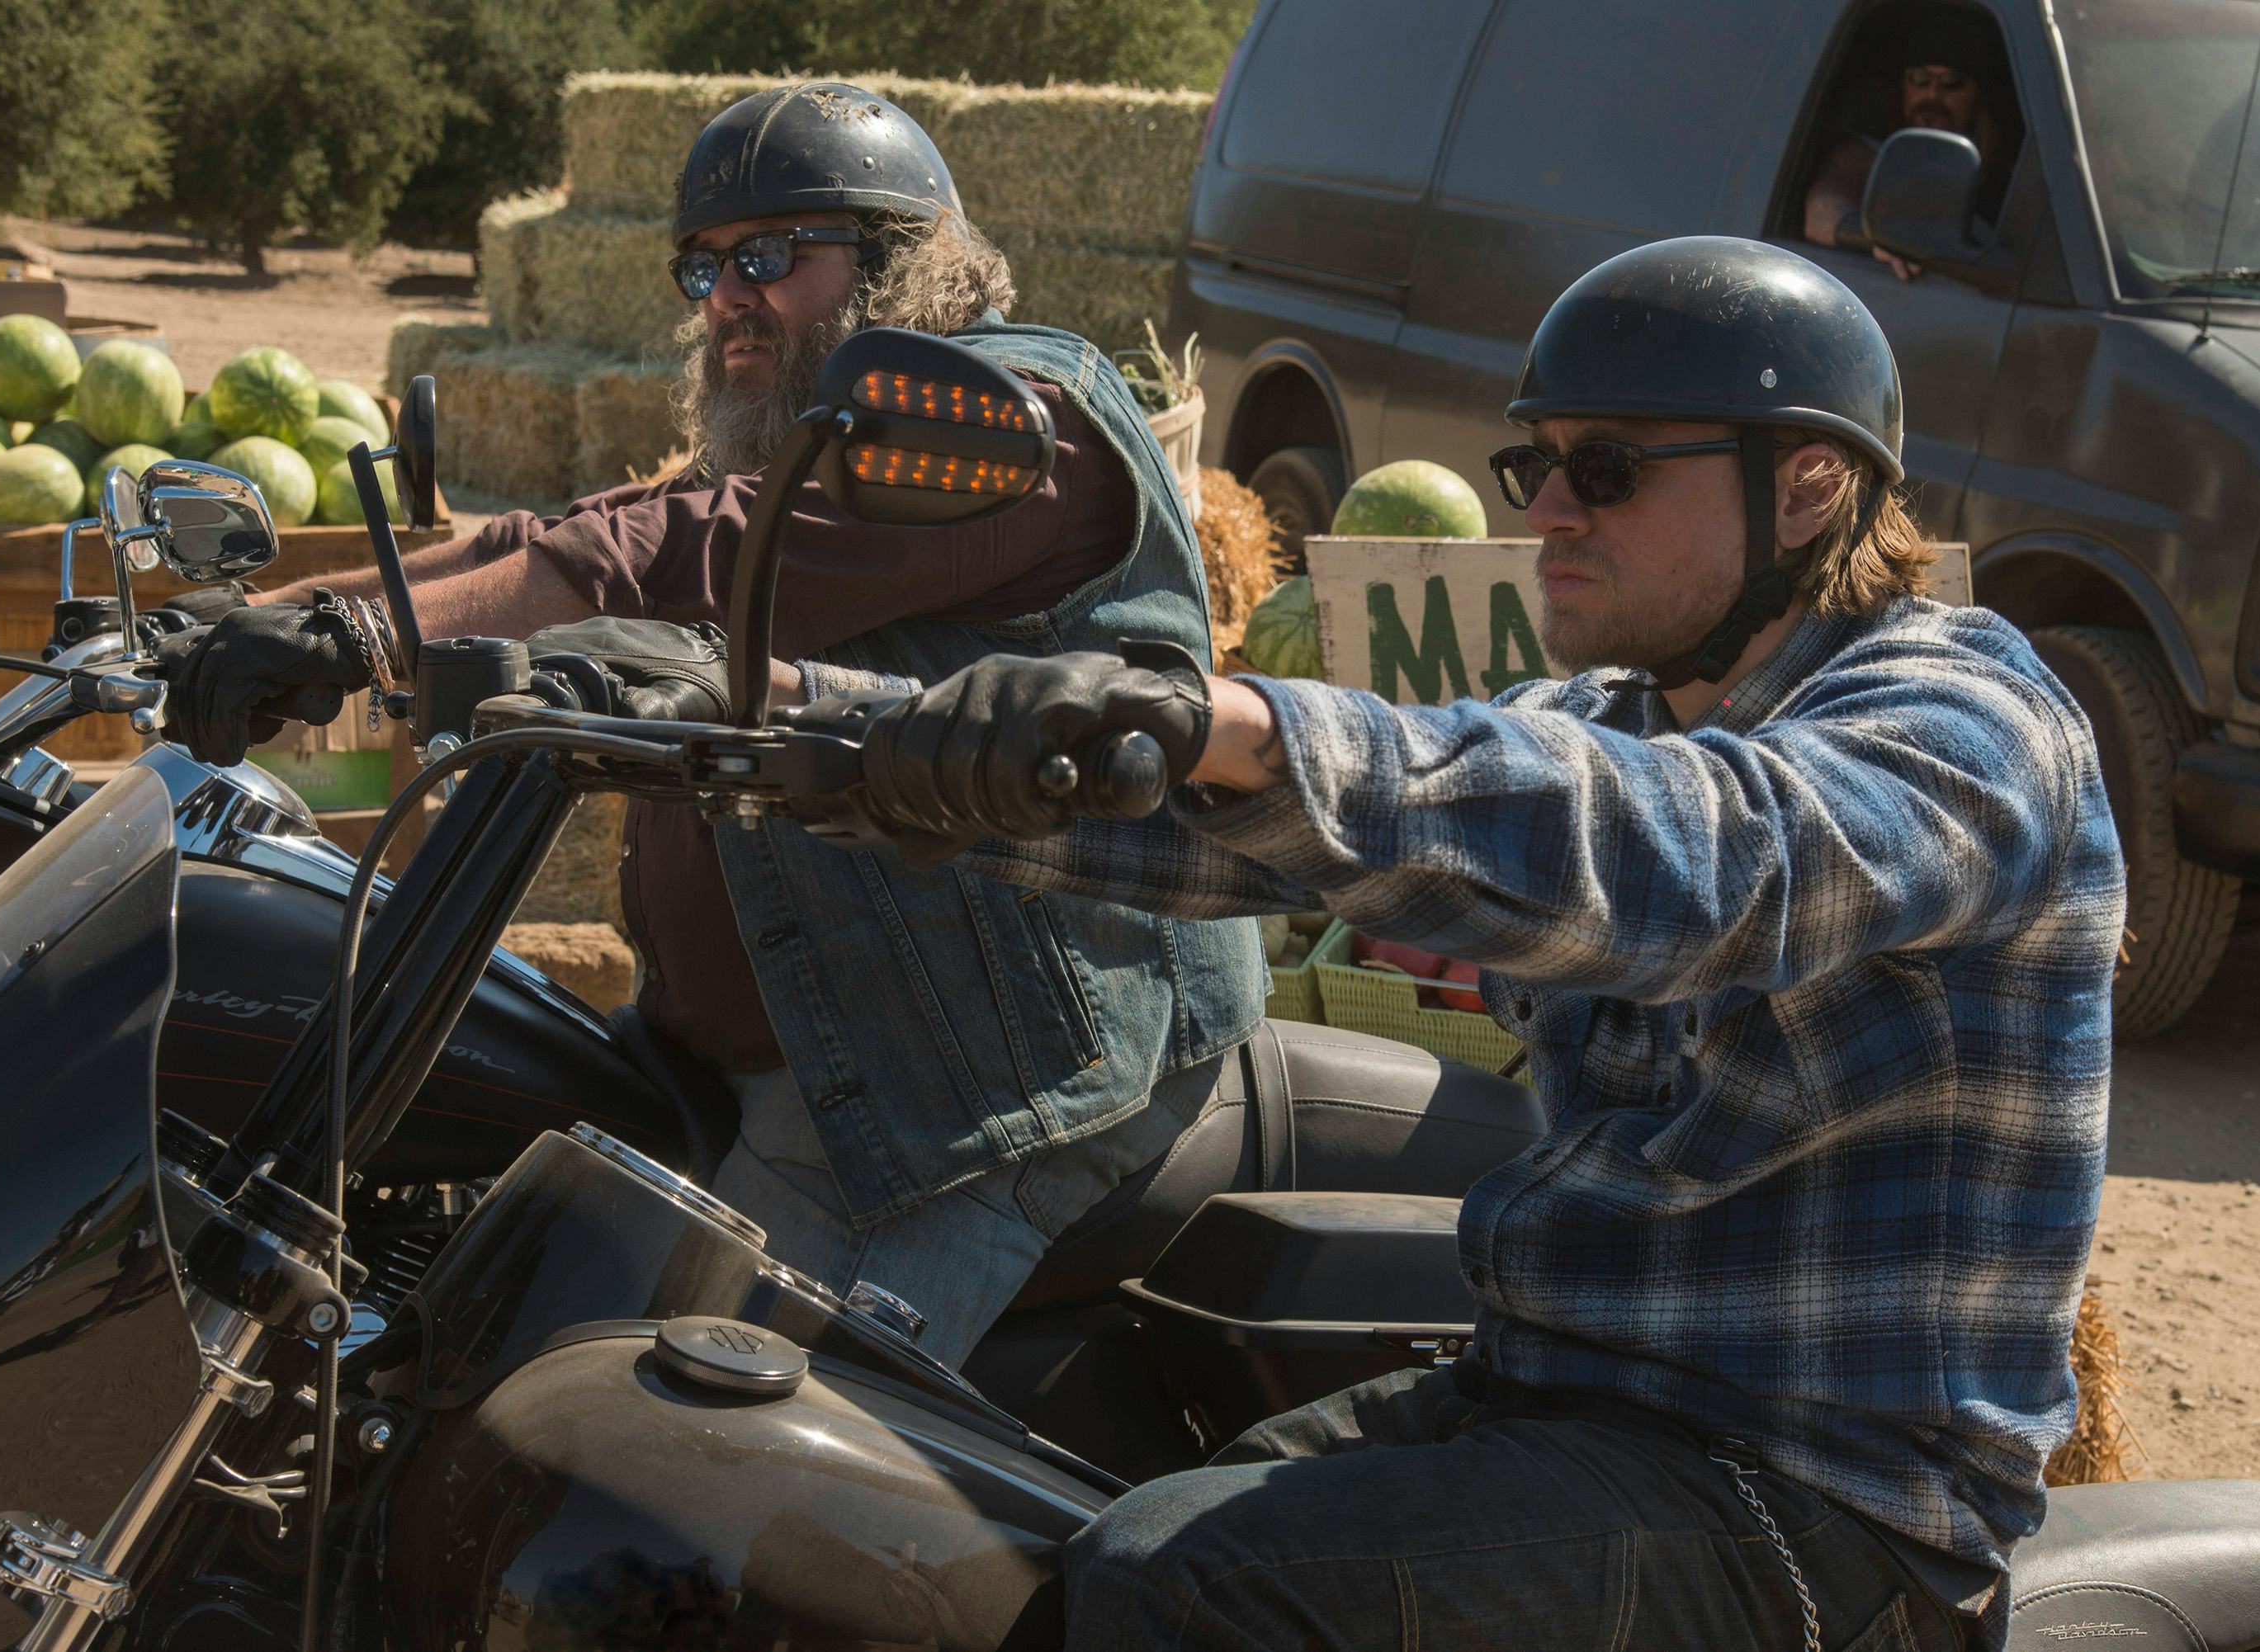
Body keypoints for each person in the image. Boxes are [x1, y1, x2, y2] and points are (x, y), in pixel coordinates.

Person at [823, 238, 2124, 1649]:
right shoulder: (1615, 713)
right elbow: (1227, 830)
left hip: (1823, 1503)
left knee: (1182, 1584)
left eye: (1607, 468)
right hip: (1568, 1403)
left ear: (1808, 483)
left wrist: (1237, 719)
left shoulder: (1968, 721)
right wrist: (832, 736)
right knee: (1082, 1539)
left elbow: (1711, 858)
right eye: (1536, 466)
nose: (1550, 510)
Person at [154, 83, 1265, 1367]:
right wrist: (261, 621)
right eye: (705, 265)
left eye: (771, 255)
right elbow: (568, 536)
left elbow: (691, 555)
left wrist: (361, 633)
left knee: (663, 1445)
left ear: (901, 261)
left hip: (964, 1084)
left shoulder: (1009, 425)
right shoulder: (813, 439)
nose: (728, 294)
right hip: (763, 1057)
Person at [1804, 11, 2010, 280]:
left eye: (1952, 83)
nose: (1932, 95)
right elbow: (1821, 213)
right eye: (1920, 79)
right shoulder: (1869, 155)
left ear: (1977, 96)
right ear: (1903, 86)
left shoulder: (2014, 179)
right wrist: (1881, 240)